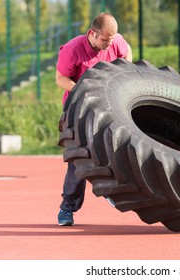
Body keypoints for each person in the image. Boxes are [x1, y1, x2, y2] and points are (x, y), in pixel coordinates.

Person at [55, 13, 133, 226]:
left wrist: (123, 73)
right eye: (104, 40)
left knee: (118, 149)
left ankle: (112, 191)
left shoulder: (114, 41)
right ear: (92, 34)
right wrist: (85, 91)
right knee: (79, 158)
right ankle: (66, 209)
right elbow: (61, 79)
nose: (109, 45)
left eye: (111, 40)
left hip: (107, 108)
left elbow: (127, 54)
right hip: (78, 110)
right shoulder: (73, 50)